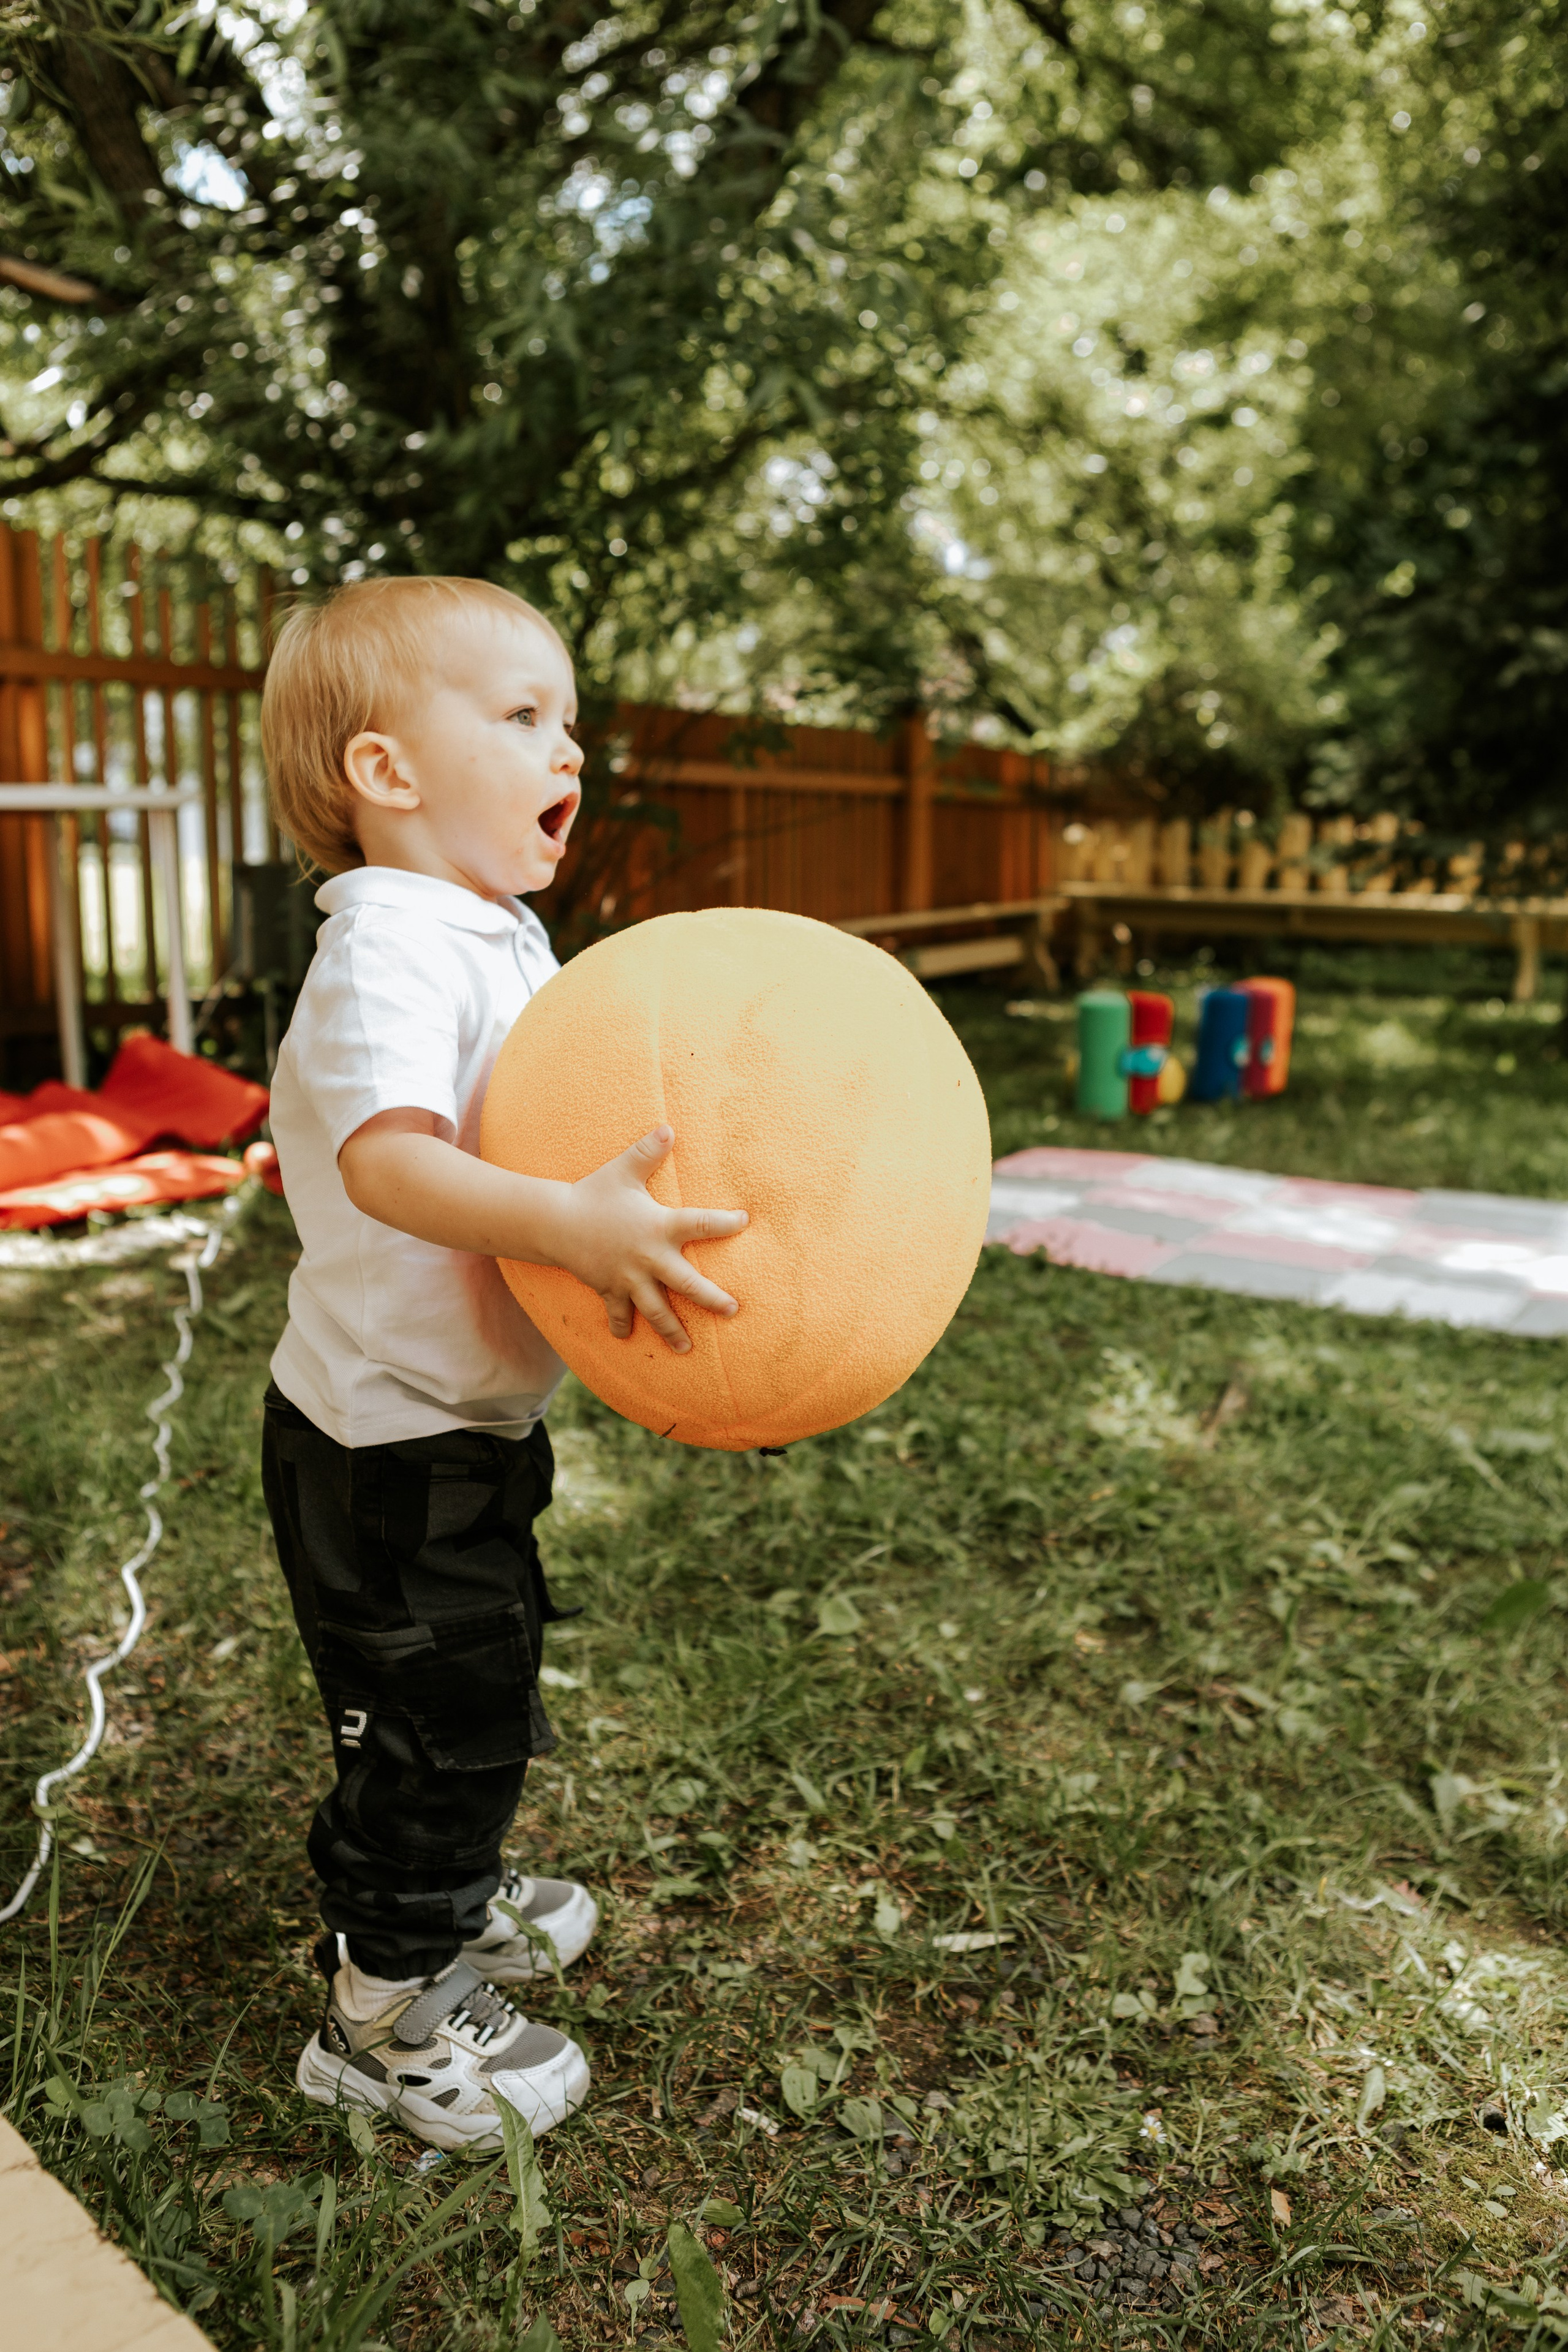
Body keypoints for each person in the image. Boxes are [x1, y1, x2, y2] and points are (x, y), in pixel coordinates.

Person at [258, 576, 747, 2153]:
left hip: (462, 1422)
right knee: (435, 1717)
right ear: (387, 771)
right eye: (525, 715)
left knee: (481, 1677)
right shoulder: (390, 949)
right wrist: (565, 1224)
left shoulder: (490, 932)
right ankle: (384, 2008)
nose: (570, 750)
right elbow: (393, 1161)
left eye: (570, 721)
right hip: (382, 1444)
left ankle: (449, 1887)